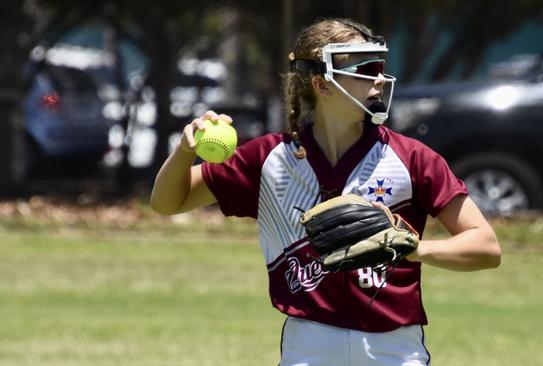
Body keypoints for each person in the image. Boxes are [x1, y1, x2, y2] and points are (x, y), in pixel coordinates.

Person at [150, 18, 501, 366]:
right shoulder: (269, 158)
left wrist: (415, 249)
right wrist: (184, 151)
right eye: (365, 69)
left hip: (394, 349)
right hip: (308, 346)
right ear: (322, 85)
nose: (379, 79)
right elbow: (168, 202)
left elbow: (486, 246)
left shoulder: (412, 158)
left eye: (380, 66)